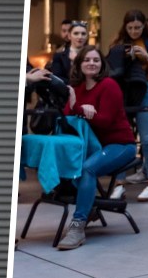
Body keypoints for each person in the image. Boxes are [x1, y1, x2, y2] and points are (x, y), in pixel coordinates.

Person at [57, 46, 137, 250]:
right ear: (79, 64)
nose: (92, 63)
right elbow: (68, 117)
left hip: (120, 145)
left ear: (102, 64)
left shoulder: (109, 85)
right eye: (87, 60)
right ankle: (90, 205)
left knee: (87, 169)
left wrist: (80, 110)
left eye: (96, 60)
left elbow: (106, 121)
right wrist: (80, 109)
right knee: (73, 167)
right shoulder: (78, 88)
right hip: (96, 147)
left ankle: (77, 225)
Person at [107, 9, 148, 201]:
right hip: (122, 89)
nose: (134, 31)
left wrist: (145, 56)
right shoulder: (118, 42)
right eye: (130, 27)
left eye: (138, 27)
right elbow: (112, 68)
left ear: (144, 26)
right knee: (122, 137)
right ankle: (119, 183)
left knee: (147, 138)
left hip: (144, 88)